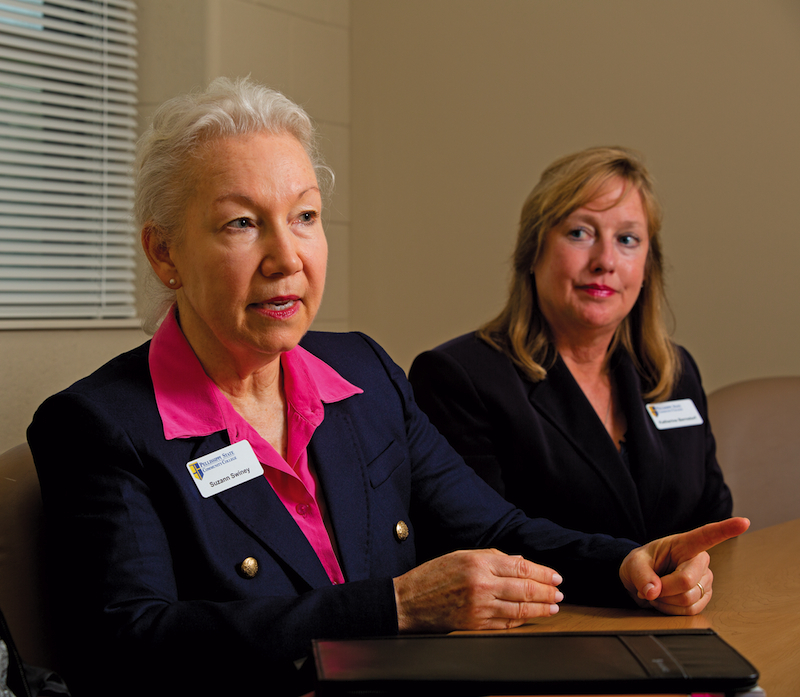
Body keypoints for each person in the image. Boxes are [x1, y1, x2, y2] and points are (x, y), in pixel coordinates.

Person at [27, 84, 746, 697]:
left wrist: (622, 563)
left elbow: (492, 528)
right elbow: (129, 645)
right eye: (241, 223)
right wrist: (394, 606)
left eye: (305, 216)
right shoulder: (99, 423)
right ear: (165, 253)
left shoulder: (365, 372)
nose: (287, 257)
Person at [409, 146, 732, 543]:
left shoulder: (674, 371)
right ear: (533, 251)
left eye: (628, 239)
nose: (605, 261)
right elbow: (482, 543)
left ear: (648, 267)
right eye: (580, 233)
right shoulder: (459, 378)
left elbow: (715, 526)